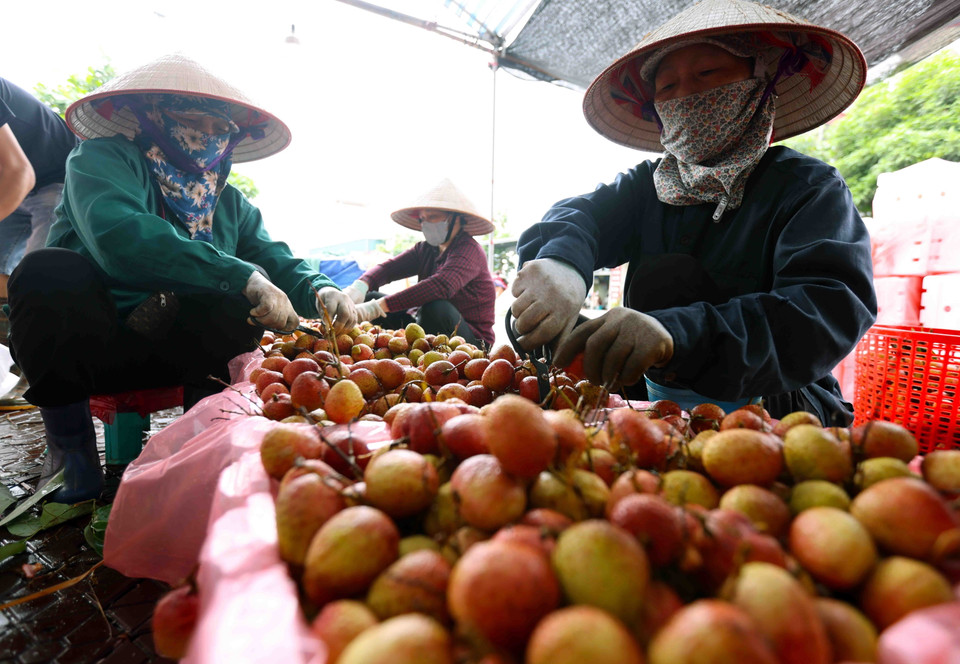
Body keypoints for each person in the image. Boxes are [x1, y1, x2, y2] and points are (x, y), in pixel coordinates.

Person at [5, 54, 357, 503]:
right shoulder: (99, 161)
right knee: (45, 270)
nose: (206, 136)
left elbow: (274, 256)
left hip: (178, 353)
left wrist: (317, 288)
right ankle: (71, 458)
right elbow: (121, 235)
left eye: (219, 130)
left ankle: (202, 447)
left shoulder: (230, 204)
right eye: (191, 121)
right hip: (89, 345)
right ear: (152, 117)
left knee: (239, 291)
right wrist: (238, 273)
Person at [510, 0, 877, 424]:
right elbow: (582, 215)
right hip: (653, 405)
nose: (686, 95)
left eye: (708, 74)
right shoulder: (646, 187)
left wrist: (678, 334)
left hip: (776, 407)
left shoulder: (807, 188)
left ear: (760, 79)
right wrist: (561, 262)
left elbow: (826, 304)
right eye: (667, 87)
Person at [0, 78, 80, 407]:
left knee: (37, 279)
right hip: (15, 186)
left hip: (58, 175)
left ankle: (39, 374)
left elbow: (20, 173)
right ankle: (25, 357)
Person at [343, 178, 497, 348]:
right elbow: (388, 269)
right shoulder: (426, 249)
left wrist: (377, 308)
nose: (426, 224)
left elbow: (441, 285)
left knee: (434, 307)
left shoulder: (469, 250)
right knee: (369, 296)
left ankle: (421, 353)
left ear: (457, 219)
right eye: (423, 219)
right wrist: (360, 286)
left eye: (433, 217)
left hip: (470, 339)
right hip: (425, 323)